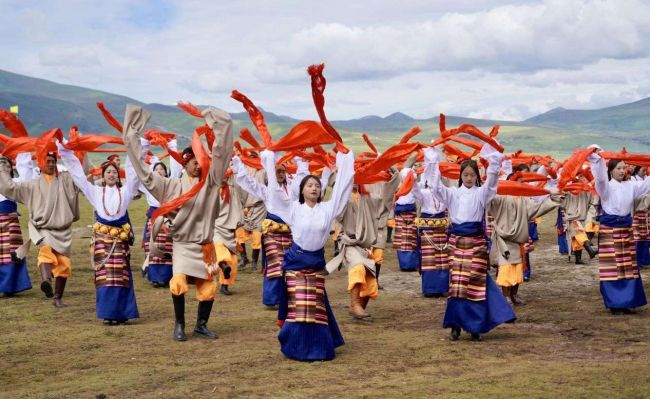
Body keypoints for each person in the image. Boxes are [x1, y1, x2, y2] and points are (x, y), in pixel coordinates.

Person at [123, 104, 233, 341]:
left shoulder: (210, 183)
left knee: (208, 288)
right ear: (184, 164)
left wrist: (217, 123)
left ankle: (201, 325)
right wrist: (135, 140)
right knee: (178, 282)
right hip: (183, 244)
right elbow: (143, 173)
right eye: (193, 160)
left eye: (199, 159)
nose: (197, 163)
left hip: (204, 245)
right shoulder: (170, 186)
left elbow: (223, 154)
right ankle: (179, 324)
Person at [262, 148, 354, 361]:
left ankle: (319, 348)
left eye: (317, 186)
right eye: (310, 185)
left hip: (315, 263)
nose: (314, 188)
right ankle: (295, 347)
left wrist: (345, 160)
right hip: (295, 262)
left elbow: (342, 189)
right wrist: (269, 160)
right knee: (299, 306)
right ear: (302, 190)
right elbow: (274, 195)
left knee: (315, 307)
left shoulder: (328, 209)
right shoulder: (293, 208)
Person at [427, 146, 516, 341]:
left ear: (477, 176)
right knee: (457, 285)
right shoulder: (452, 193)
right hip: (457, 243)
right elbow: (435, 187)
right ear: (460, 176)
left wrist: (493, 164)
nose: (469, 178)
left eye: (472, 175)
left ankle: (475, 327)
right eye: (465, 175)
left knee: (475, 283)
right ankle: (456, 326)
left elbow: (492, 184)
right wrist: (433, 162)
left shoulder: (482, 193)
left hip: (477, 243)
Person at [57, 143, 140, 324]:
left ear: (118, 176)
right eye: (108, 172)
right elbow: (78, 176)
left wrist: (137, 148)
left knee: (120, 278)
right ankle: (107, 314)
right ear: (102, 176)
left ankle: (121, 314)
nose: (112, 174)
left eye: (115, 172)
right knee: (104, 279)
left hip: (119, 240)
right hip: (102, 241)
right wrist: (65, 152)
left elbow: (134, 177)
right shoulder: (95, 192)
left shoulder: (125, 192)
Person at [0, 151, 79, 307]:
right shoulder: (32, 185)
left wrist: (71, 152)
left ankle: (57, 298)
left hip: (63, 229)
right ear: (41, 163)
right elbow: (9, 188)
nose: (50, 164)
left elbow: (79, 175)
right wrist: (2, 167)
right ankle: (46, 280)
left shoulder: (64, 180)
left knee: (64, 265)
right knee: (45, 252)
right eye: (47, 161)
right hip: (43, 228)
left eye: (53, 161)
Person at [233, 154, 308, 308]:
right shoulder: (266, 191)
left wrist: (302, 160)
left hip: (290, 232)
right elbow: (247, 182)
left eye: (282, 171)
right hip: (272, 233)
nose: (280, 174)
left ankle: (289, 298)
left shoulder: (293, 189)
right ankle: (271, 299)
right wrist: (237, 162)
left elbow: (303, 178)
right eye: (277, 171)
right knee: (276, 264)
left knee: (290, 264)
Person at [589, 149, 650, 314]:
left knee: (628, 266)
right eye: (619, 168)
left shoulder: (631, 185)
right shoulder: (606, 187)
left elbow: (646, 184)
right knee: (612, 267)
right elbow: (600, 178)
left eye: (624, 168)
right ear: (611, 170)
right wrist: (597, 159)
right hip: (610, 229)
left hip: (626, 229)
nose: (623, 171)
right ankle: (615, 304)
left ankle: (628, 301)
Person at [140, 140, 181, 287]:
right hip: (154, 216)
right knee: (153, 246)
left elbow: (177, 167)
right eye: (156, 169)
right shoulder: (148, 185)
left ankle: (167, 276)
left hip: (168, 217)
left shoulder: (171, 182)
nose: (159, 171)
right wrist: (143, 146)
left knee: (167, 246)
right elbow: (138, 170)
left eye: (162, 169)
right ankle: (154, 276)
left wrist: (172, 147)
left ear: (166, 171)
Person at [411, 155, 450, 298]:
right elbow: (415, 192)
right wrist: (413, 180)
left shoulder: (445, 193)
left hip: (442, 228)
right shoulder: (424, 193)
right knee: (429, 260)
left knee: (442, 259)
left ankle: (442, 287)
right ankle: (430, 288)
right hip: (428, 229)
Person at [0, 153, 37, 296]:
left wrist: (24, 151)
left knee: (12, 254)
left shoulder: (16, 182)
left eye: (7, 165)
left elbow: (27, 176)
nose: (4, 167)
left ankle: (10, 287)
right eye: (2, 165)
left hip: (10, 222)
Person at [393, 155, 419, 271]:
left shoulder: (411, 176)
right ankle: (407, 264)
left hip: (408, 211)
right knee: (405, 239)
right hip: (403, 211)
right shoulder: (406, 176)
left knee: (408, 239)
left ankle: (409, 264)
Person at [631, 167, 650, 268]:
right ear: (637, 170)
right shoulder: (633, 180)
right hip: (637, 213)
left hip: (645, 213)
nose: (645, 171)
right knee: (637, 238)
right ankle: (636, 261)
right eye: (643, 169)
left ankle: (643, 260)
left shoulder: (646, 178)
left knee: (645, 238)